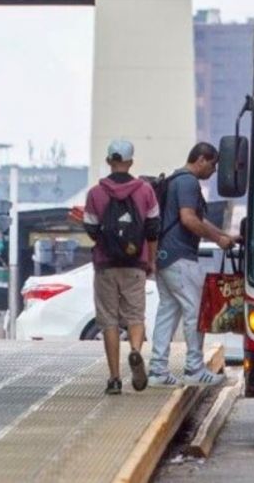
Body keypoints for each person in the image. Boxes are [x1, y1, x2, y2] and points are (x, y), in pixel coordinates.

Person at [148, 142, 240, 388]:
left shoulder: (175, 180)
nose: (213, 171)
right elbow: (189, 220)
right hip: (181, 258)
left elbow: (198, 220)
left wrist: (224, 236)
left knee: (168, 312)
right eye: (213, 165)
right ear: (201, 159)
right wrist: (219, 239)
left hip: (166, 257)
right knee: (194, 312)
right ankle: (194, 369)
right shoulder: (188, 182)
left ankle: (157, 371)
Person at [84, 140, 160, 395]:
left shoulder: (95, 193)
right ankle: (136, 352)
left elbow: (92, 229)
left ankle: (114, 378)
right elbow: (152, 228)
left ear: (109, 161)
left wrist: (108, 243)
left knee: (109, 321)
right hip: (135, 263)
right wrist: (150, 259)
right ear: (130, 162)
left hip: (106, 265)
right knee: (135, 317)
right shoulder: (146, 190)